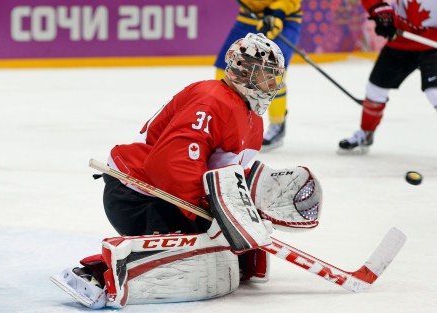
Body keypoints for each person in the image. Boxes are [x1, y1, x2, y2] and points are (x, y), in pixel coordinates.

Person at [50, 33, 322, 309]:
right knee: (192, 252)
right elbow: (170, 165)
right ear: (244, 71)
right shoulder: (211, 99)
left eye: (275, 76)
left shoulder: (252, 119)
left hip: (175, 195)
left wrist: (240, 211)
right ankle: (96, 273)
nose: (272, 84)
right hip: (141, 193)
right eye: (266, 75)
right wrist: (212, 214)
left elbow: (226, 176)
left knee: (217, 247)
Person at [339, 0, 437, 153]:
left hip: (433, 44)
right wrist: (379, 10)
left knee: (435, 92)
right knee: (375, 89)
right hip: (400, 42)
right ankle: (366, 133)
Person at [215, 0, 303, 151]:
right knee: (224, 71)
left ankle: (277, 123)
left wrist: (277, 12)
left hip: (284, 17)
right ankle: (225, 124)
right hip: (248, 16)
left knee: (271, 74)